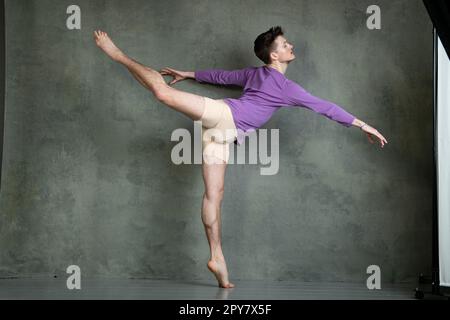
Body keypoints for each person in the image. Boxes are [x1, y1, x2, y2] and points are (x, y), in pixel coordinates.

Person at [93, 26, 388, 289]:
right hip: (225, 116)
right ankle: (118, 54)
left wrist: (189, 74)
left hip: (222, 136)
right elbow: (325, 106)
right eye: (285, 45)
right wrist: (364, 124)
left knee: (214, 196)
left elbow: (222, 77)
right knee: (162, 93)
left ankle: (217, 259)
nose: (291, 47)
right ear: (273, 56)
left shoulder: (261, 76)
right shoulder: (283, 86)